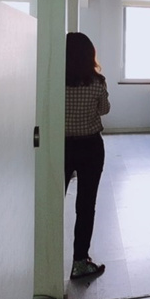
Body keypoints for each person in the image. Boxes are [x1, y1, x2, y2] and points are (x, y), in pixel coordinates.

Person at [65, 32, 110, 280]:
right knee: (85, 206)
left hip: (61, 146)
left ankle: (43, 263)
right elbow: (104, 110)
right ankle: (80, 262)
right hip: (91, 147)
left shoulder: (55, 81)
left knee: (51, 202)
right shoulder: (97, 82)